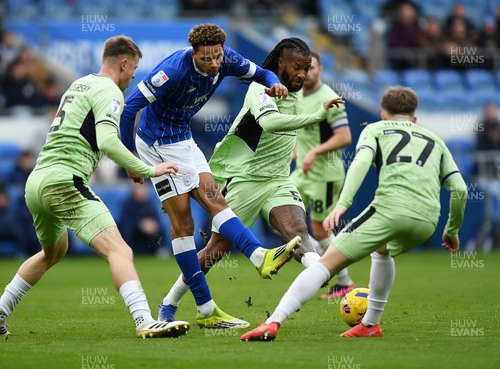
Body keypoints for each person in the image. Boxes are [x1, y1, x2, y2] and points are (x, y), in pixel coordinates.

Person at [0, 35, 189, 338]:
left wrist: (129, 164)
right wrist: (148, 167)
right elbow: (106, 141)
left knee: (53, 252)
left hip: (37, 183)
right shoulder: (110, 91)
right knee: (120, 251)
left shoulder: (78, 85)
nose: (133, 76)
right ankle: (144, 320)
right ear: (124, 63)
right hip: (66, 181)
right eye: (134, 68)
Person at [241, 86, 467, 341]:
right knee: (382, 250)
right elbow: (460, 189)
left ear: (383, 115)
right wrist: (452, 230)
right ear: (414, 119)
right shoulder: (435, 139)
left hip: (390, 211)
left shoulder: (376, 129)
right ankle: (370, 324)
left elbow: (359, 164)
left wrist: (341, 205)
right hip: (427, 222)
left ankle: (273, 322)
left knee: (326, 264)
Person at [121, 23, 298, 329]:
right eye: (207, 59)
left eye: (217, 57)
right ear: (194, 54)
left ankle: (252, 263)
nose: (215, 64)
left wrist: (275, 85)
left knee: (213, 197)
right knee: (184, 225)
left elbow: (264, 74)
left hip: (183, 138)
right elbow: (129, 108)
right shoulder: (173, 71)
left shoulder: (226, 58)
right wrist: (129, 159)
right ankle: (210, 302)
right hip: (155, 143)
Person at [156, 39, 344, 321]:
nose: (303, 74)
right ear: (280, 63)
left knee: (297, 230)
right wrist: (317, 117)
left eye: (307, 69)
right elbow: (270, 123)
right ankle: (169, 304)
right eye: (297, 67)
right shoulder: (260, 88)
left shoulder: (298, 93)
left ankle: (318, 269)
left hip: (279, 180)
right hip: (245, 180)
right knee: (216, 250)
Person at [290, 51, 354, 300]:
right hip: (302, 173)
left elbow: (345, 137)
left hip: (325, 174)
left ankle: (344, 282)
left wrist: (315, 152)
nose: (307, 73)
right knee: (280, 210)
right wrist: (296, 152)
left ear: (321, 70)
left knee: (320, 228)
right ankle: (315, 260)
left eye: (312, 68)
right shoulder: (298, 95)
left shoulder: (329, 98)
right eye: (303, 68)